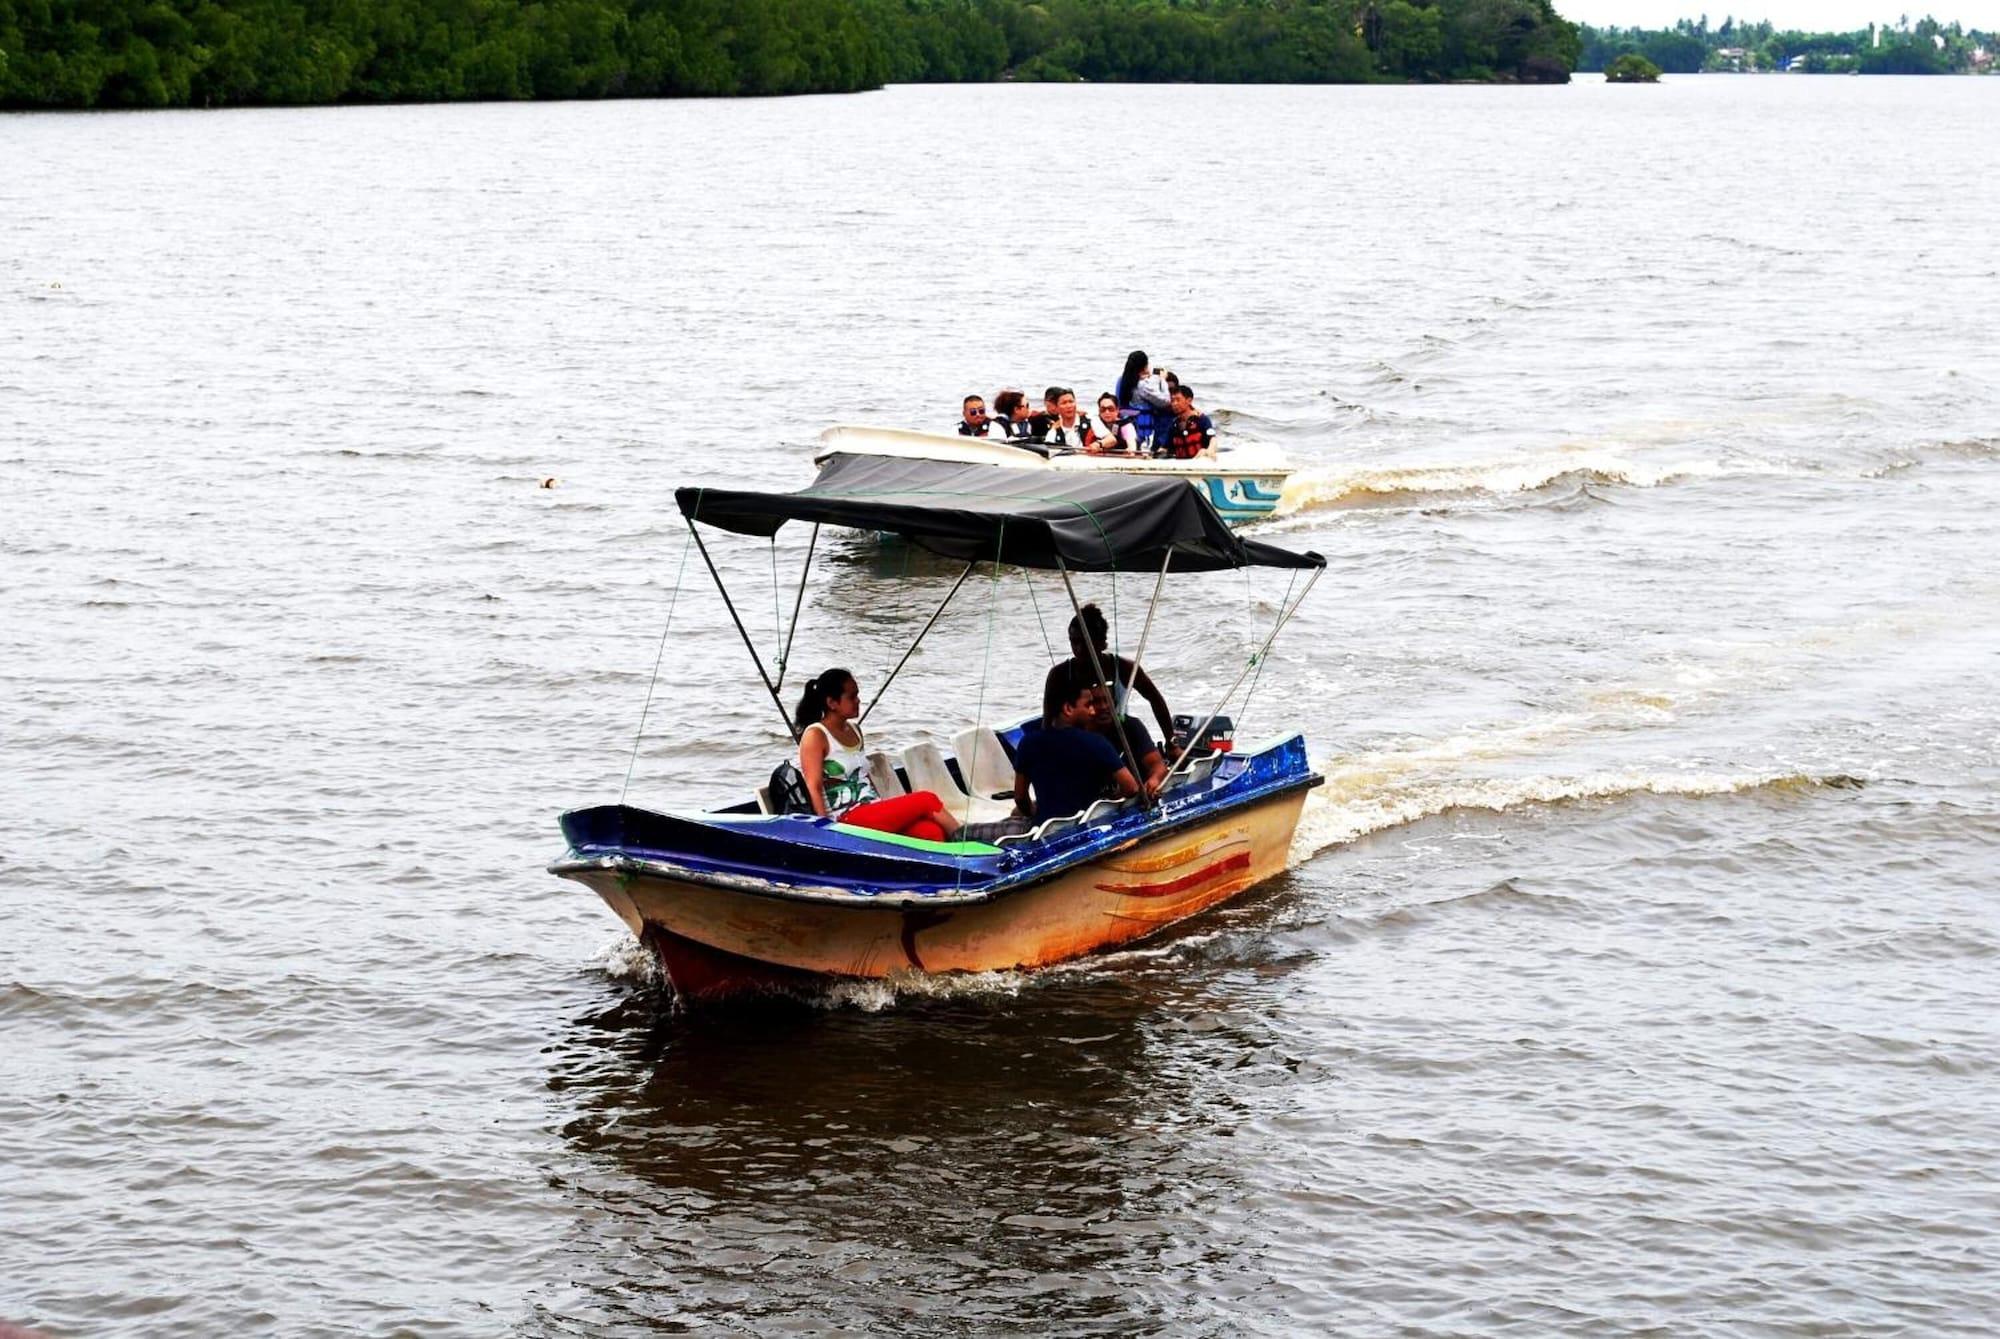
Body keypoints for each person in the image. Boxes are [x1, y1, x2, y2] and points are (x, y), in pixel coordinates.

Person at [790, 668, 960, 841]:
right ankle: (966, 841)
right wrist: (826, 830)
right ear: (832, 703)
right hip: (845, 817)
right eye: (852, 697)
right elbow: (814, 787)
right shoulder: (816, 735)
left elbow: (864, 777)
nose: (858, 701)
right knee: (927, 800)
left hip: (871, 808)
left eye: (857, 695)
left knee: (930, 832)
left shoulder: (855, 730)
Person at [1011, 662, 1138, 823]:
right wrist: (1110, 801)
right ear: (1068, 709)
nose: (1093, 711)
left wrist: (1034, 813)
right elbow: (1131, 787)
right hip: (1087, 823)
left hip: (1046, 828)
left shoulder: (1027, 743)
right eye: (1088, 705)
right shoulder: (1097, 743)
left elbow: (1020, 797)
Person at [1041, 602, 1177, 750]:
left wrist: (1171, 742)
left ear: (1102, 643)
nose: (1079, 649)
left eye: (1085, 643)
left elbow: (1155, 699)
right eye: (1074, 642)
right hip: (1076, 744)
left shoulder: (1124, 669)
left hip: (1116, 741)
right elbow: (1048, 722)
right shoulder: (1059, 674)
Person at [1088, 682, 1168, 799]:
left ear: (1115, 702)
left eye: (1107, 700)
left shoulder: (1131, 726)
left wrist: (1154, 780)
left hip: (1136, 798)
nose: (1103, 706)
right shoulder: (1079, 735)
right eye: (1096, 702)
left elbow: (1157, 765)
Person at [1114, 350, 1175, 455]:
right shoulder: (1142, 385)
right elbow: (1165, 401)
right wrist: (1162, 380)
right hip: (1141, 426)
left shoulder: (1121, 380)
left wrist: (1150, 379)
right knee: (1142, 449)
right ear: (1144, 367)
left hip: (1125, 422)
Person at [1164, 383, 1214, 459]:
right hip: (1181, 463)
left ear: (1189, 401)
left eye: (1178, 400)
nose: (1174, 404)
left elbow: (1213, 439)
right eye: (1172, 400)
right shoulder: (1174, 425)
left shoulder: (1201, 420)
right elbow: (1166, 448)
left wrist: (1209, 450)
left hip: (1199, 461)